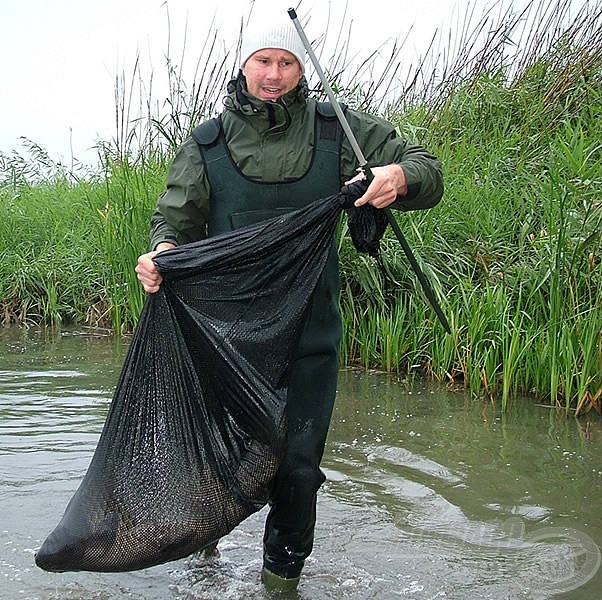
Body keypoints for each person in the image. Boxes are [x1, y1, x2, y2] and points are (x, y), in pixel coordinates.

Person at [135, 14, 443, 592]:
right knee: (223, 458)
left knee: (298, 470)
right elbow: (174, 221)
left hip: (310, 334)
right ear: (243, 66)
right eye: (263, 61)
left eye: (287, 62)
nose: (274, 75)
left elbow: (429, 170)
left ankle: (281, 578)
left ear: (301, 68)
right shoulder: (206, 144)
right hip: (227, 340)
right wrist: (161, 254)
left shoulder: (337, 130)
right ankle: (208, 552)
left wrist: (397, 175)